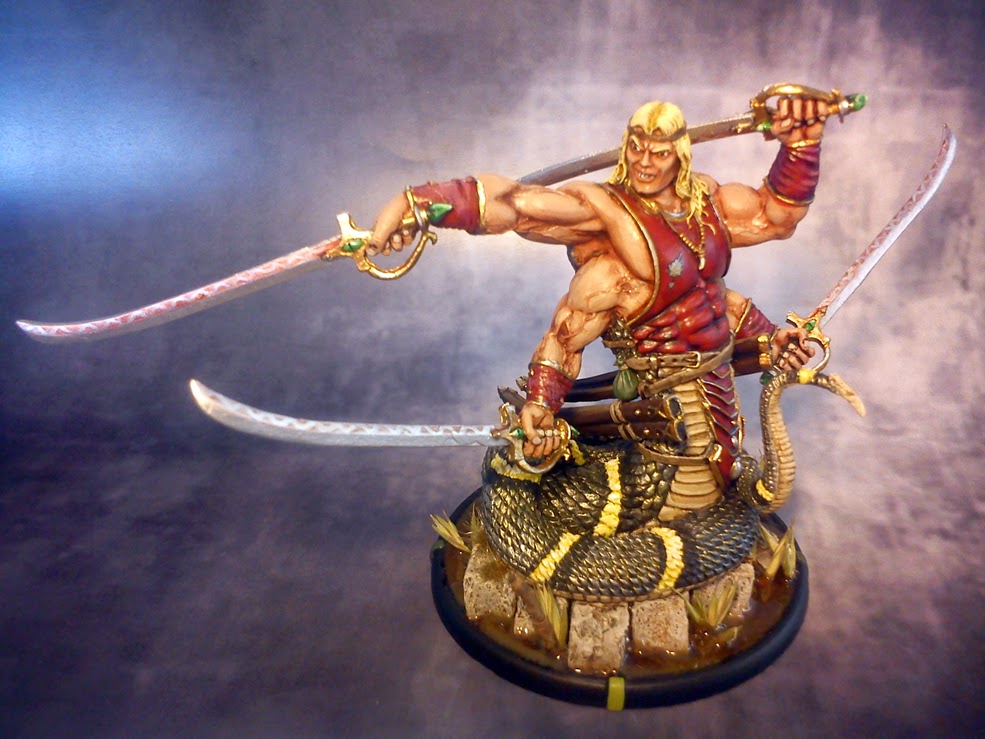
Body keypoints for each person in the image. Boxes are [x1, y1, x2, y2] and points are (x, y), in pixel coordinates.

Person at [370, 94, 827, 522]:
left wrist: (801, 144)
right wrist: (420, 204)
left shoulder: (706, 201)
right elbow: (515, 206)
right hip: (668, 405)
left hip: (722, 388)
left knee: (728, 493)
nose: (645, 162)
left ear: (681, 155)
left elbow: (775, 218)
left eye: (659, 153)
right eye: (636, 148)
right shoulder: (605, 220)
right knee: (684, 503)